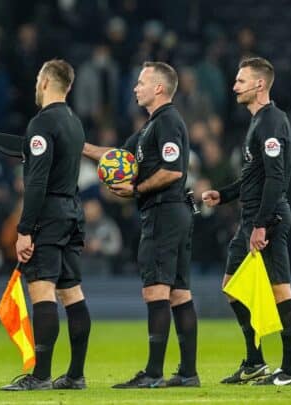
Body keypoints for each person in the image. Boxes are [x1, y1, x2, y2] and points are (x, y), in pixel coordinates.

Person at [0, 59, 91, 391]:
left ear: (45, 81)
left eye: (36, 79)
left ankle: (41, 375)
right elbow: (29, 151)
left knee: (42, 290)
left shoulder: (42, 122)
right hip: (72, 212)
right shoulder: (73, 122)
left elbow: (35, 180)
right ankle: (75, 375)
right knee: (71, 292)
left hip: (48, 214)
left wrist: (24, 229)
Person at [83, 61, 198, 388]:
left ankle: (153, 373)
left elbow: (172, 170)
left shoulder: (168, 122)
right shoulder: (152, 126)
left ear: (159, 88)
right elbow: (117, 154)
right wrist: (79, 145)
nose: (135, 88)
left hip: (164, 211)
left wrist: (136, 189)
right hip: (174, 212)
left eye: (141, 82)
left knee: (156, 290)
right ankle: (187, 373)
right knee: (179, 293)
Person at [202, 57, 291, 386]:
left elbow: (275, 178)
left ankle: (290, 370)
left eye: (241, 81)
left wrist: (261, 224)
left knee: (279, 291)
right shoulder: (258, 121)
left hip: (267, 218)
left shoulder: (272, 122)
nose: (234, 86)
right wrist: (225, 195)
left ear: (260, 84)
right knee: (232, 286)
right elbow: (255, 176)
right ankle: (255, 362)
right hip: (252, 217)